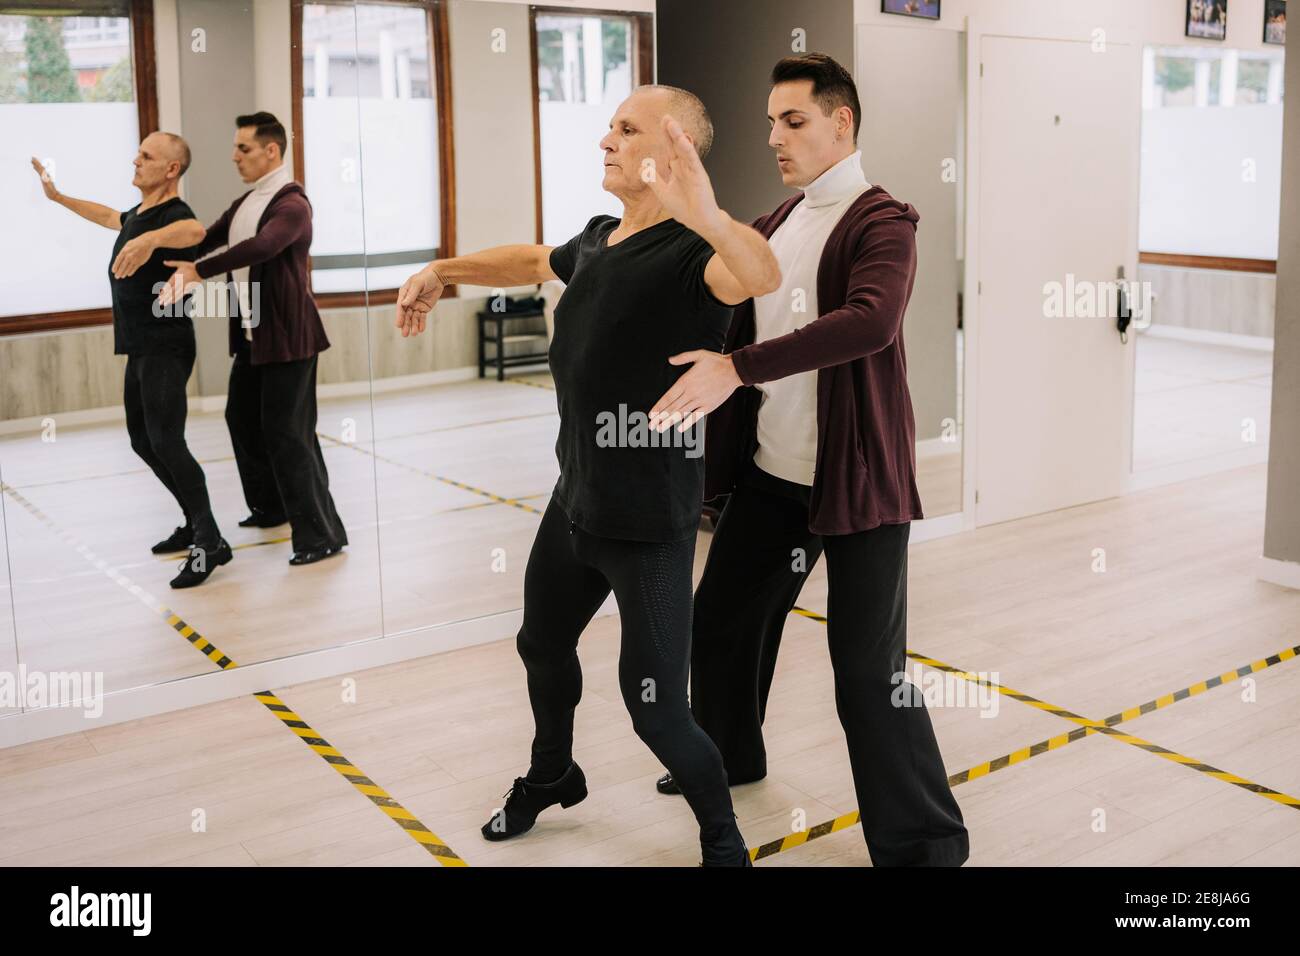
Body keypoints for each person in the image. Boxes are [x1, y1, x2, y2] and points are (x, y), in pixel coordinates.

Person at [394, 85, 781, 866]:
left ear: (671, 152)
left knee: (658, 713)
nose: (607, 139)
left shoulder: (695, 257)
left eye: (626, 128)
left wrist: (707, 212)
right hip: (575, 507)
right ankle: (551, 773)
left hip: (649, 527)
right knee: (540, 645)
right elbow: (535, 259)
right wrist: (444, 268)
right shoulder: (601, 238)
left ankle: (723, 836)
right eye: (609, 125)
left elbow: (761, 276)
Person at [646, 53, 970, 866]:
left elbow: (870, 323)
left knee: (868, 674)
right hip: (772, 476)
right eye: (769, 123)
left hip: (857, 483)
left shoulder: (883, 220)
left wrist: (738, 369)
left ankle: (926, 841)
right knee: (721, 624)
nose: (775, 138)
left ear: (841, 122)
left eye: (792, 121)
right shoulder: (775, 223)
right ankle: (727, 761)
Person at [31, 134, 231, 589]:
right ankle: (194, 522)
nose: (135, 160)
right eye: (138, 153)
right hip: (140, 345)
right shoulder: (138, 214)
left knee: (167, 441)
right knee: (143, 440)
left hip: (167, 343)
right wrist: (58, 197)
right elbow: (106, 215)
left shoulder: (173, 216)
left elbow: (196, 232)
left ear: (171, 170)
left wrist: (150, 242)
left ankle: (209, 541)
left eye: (147, 156)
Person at [160, 112, 346, 566]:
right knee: (241, 418)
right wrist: (156, 249)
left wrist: (199, 271)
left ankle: (320, 535)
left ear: (271, 151)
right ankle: (271, 507)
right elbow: (207, 239)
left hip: (289, 338)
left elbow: (263, 247)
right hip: (253, 336)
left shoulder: (292, 206)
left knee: (289, 434)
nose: (234, 156)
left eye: (243, 148)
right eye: (236, 147)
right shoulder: (249, 202)